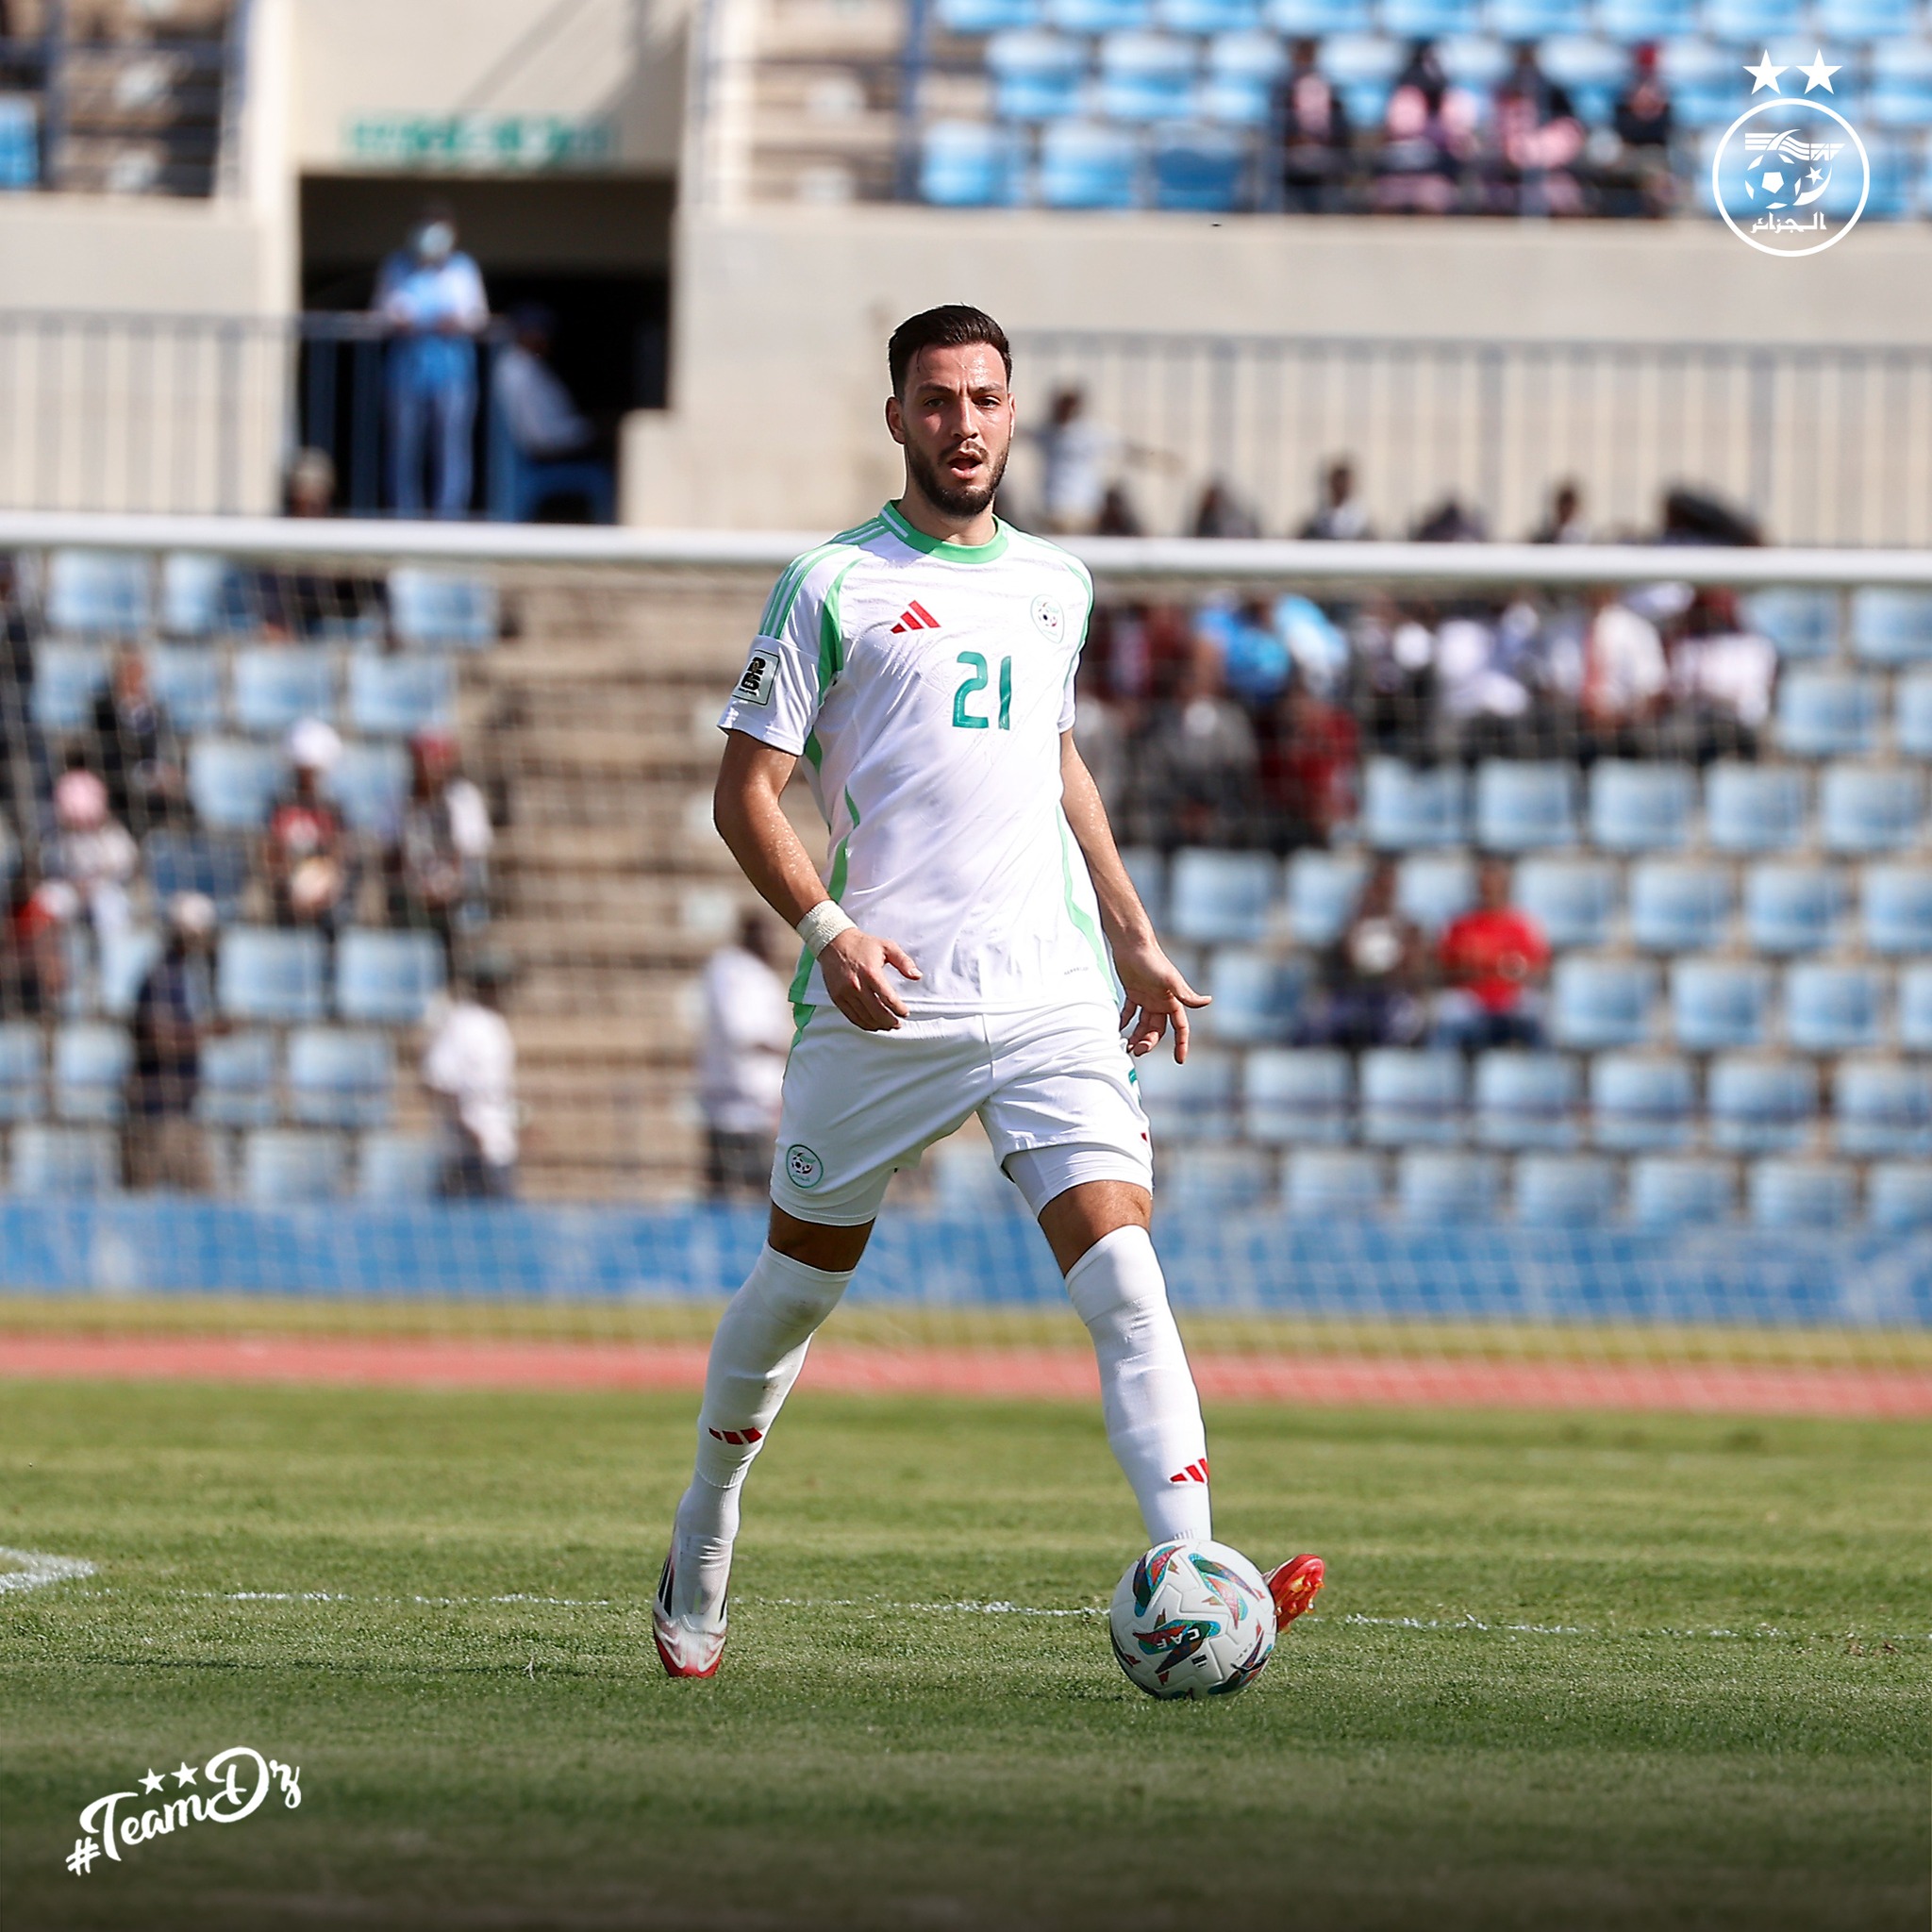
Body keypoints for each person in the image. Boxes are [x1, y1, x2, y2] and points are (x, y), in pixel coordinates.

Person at [654, 304, 1325, 1678]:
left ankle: (1196, 1572)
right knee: (795, 1290)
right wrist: (829, 930)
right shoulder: (829, 585)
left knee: (1124, 1277)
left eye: (984, 399)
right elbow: (743, 796)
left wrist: (1130, 930)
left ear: (1013, 413)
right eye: (938, 400)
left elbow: (1053, 754)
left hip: (1048, 994)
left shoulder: (1056, 584)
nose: (963, 424)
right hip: (886, 1001)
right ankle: (707, 1517)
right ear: (897, 418)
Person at [375, 205, 490, 517]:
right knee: (403, 446)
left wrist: (456, 323)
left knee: (451, 446)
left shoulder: (463, 268)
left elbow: (477, 316)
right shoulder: (397, 266)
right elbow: (383, 312)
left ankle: (449, 514)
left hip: (454, 373)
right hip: (405, 372)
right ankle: (404, 512)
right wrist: (401, 320)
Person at [124, 891, 218, 1191]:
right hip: (156, 1114)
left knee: (204, 1199)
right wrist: (206, 1033)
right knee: (146, 1199)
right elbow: (158, 1040)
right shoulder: (161, 977)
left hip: (179, 1109)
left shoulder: (184, 975)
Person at [697, 912, 791, 1200]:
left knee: (768, 1190)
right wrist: (788, 1051)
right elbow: (743, 1032)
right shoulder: (731, 971)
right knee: (731, 1189)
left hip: (764, 1106)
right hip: (736, 1101)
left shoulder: (759, 974)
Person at [1297, 858, 1426, 1048]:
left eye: (1388, 887)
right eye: (1379, 886)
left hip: (1391, 996)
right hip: (1355, 994)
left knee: (1405, 1023)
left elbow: (1413, 968)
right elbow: (1349, 957)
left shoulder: (1406, 927)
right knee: (1316, 1022)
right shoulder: (1356, 921)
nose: (1382, 893)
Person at [389, 730, 491, 966]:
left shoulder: (463, 797)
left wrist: (446, 887)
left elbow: (471, 856)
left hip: (456, 894)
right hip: (412, 894)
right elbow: (390, 854)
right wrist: (415, 886)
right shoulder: (399, 800)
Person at [422, 953, 519, 1198]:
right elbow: (437, 1082)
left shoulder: (495, 1025)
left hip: (497, 1147)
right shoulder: (462, 1024)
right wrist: (467, 1129)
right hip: (469, 1151)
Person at [1434, 858, 1549, 1050]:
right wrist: (1489, 969)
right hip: (1472, 999)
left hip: (1510, 998)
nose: (1490, 891)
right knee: (1446, 1012)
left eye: (1496, 886)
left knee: (1537, 1013)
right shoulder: (1461, 925)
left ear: (1505, 888)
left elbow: (1537, 970)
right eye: (1485, 886)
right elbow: (1446, 969)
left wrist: (1495, 969)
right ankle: (1440, 1067)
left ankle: (1544, 1067)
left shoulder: (1520, 926)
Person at [264, 719, 352, 934]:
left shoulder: (333, 808)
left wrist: (321, 885)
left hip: (325, 894)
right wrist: (289, 883)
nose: (306, 778)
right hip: (285, 892)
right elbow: (269, 852)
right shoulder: (280, 805)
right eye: (301, 771)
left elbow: (339, 854)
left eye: (311, 772)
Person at [90, 648, 187, 836]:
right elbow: (107, 754)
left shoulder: (155, 711)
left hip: (153, 786)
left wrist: (163, 772)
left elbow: (162, 749)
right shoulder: (104, 709)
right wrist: (143, 775)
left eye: (141, 673)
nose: (138, 680)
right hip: (119, 785)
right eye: (132, 672)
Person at [52, 765, 138, 943]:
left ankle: (112, 953)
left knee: (110, 905)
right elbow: (52, 866)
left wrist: (95, 882)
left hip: (105, 891)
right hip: (71, 892)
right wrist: (76, 885)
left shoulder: (112, 834)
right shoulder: (58, 838)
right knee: (52, 901)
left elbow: (125, 865)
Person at [1274, 41, 1353, 213]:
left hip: (1325, 149)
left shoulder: (1328, 87)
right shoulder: (1285, 87)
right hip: (1292, 150)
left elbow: (1339, 123)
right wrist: (1296, 139)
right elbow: (1279, 123)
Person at [1299, 458, 1373, 541]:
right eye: (1337, 481)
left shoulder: (1363, 527)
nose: (1341, 485)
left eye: (1345, 482)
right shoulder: (1317, 523)